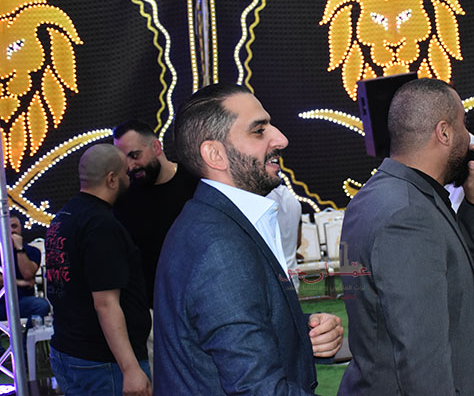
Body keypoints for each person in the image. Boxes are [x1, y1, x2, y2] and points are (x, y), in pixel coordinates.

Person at [154, 83, 344, 395]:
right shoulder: (219, 246)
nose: (281, 139)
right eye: (259, 131)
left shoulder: (216, 221)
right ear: (215, 154)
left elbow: (230, 326)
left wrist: (303, 330)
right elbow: (256, 388)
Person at [337, 78, 474, 395]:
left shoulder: (386, 194)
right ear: (444, 132)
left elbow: (443, 274)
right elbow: (422, 358)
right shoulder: (408, 212)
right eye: (463, 124)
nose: (468, 137)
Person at [46, 144, 152, 396]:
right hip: (102, 363)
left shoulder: (64, 217)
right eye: (125, 173)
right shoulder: (100, 226)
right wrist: (130, 369)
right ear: (111, 179)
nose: (129, 177)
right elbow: (105, 304)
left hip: (71, 351)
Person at [113, 120, 198, 370]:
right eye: (123, 160)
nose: (130, 166)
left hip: (200, 306)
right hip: (152, 315)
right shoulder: (125, 198)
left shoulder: (196, 182)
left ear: (157, 147)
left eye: (135, 155)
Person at [0, 214, 50, 328]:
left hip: (22, 301)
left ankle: (27, 337)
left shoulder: (33, 251)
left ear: (20, 228)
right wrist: (19, 282)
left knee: (41, 305)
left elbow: (27, 274)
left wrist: (19, 248)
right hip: (1, 301)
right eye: (6, 227)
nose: (11, 230)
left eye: (14, 226)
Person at [267, 184, 302, 291]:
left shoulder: (261, 200)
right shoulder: (293, 200)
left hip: (271, 276)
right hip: (291, 272)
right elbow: (298, 242)